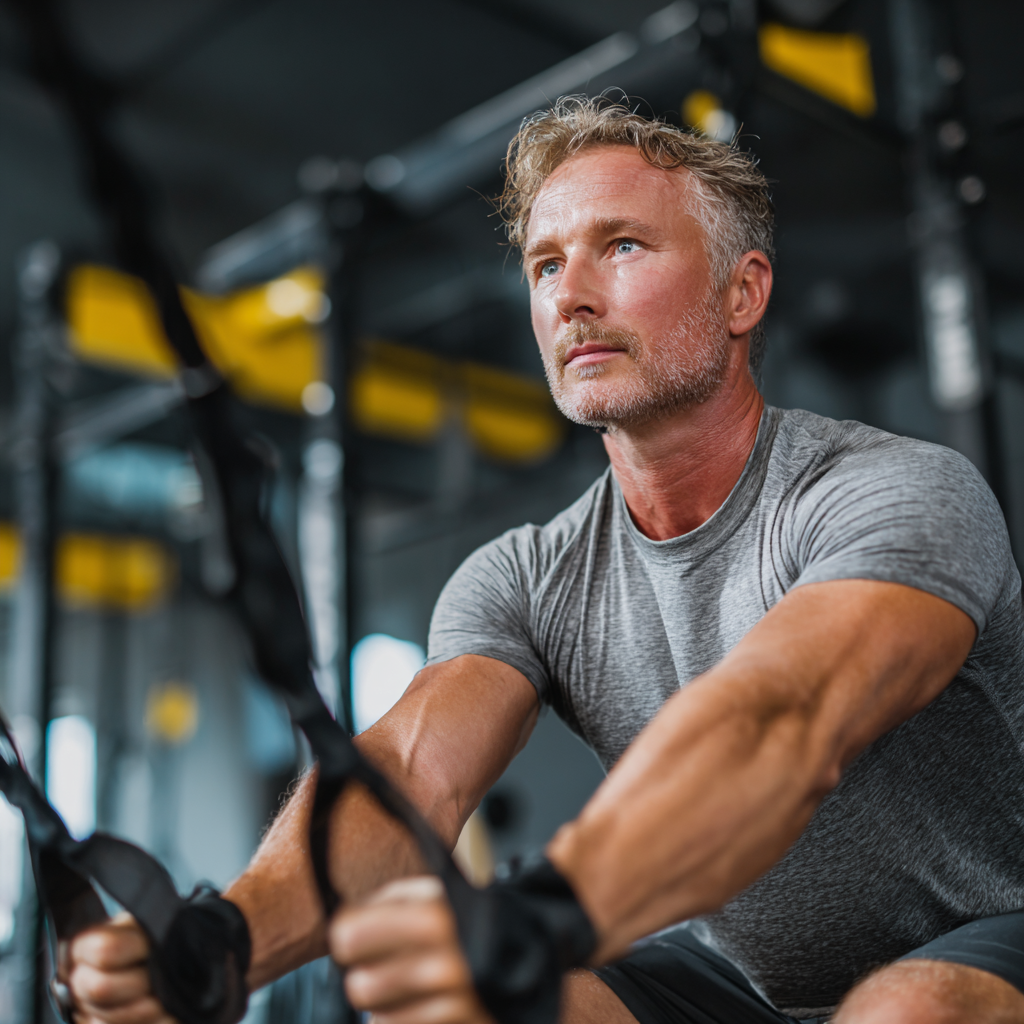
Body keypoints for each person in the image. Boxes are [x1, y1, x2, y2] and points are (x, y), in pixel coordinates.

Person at [66, 97, 1024, 1024]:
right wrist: (226, 940)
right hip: (734, 980)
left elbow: (784, 721)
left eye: (622, 246)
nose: (571, 293)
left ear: (744, 292)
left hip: (987, 932)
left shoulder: (893, 490)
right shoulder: (529, 575)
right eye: (545, 265)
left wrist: (547, 917)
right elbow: (408, 771)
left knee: (907, 1010)